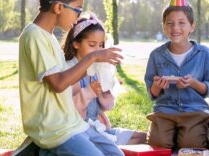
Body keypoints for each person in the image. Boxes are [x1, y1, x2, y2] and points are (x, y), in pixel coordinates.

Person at [6, 0, 126, 156]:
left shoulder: (49, 37)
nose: (77, 16)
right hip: (53, 128)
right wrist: (92, 57)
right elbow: (58, 83)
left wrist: (100, 67)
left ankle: (49, 152)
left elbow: (68, 78)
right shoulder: (34, 36)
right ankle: (43, 155)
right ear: (59, 7)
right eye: (77, 10)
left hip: (71, 121)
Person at [144, 0, 209, 149]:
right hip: (165, 112)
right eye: (169, 23)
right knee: (158, 146)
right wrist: (157, 86)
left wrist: (193, 83)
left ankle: (186, 135)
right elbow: (152, 92)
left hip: (195, 112)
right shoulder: (156, 56)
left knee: (192, 146)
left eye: (181, 22)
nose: (175, 27)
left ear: (192, 26)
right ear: (163, 27)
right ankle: (169, 135)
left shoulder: (205, 54)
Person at [63, 13, 147, 145]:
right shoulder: (69, 70)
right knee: (110, 151)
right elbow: (69, 112)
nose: (98, 50)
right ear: (76, 44)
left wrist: (107, 92)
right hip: (77, 133)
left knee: (145, 137)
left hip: (98, 129)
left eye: (101, 45)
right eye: (92, 45)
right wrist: (89, 91)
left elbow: (107, 106)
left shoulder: (98, 69)